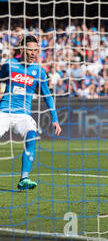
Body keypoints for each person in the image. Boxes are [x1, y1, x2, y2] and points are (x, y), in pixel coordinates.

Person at [0, 35, 62, 190]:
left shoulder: (39, 72)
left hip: (23, 115)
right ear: (22, 49)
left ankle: (24, 179)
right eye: (30, 50)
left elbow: (47, 95)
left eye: (36, 50)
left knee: (32, 137)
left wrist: (55, 119)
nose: (33, 53)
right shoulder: (10, 64)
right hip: (4, 111)